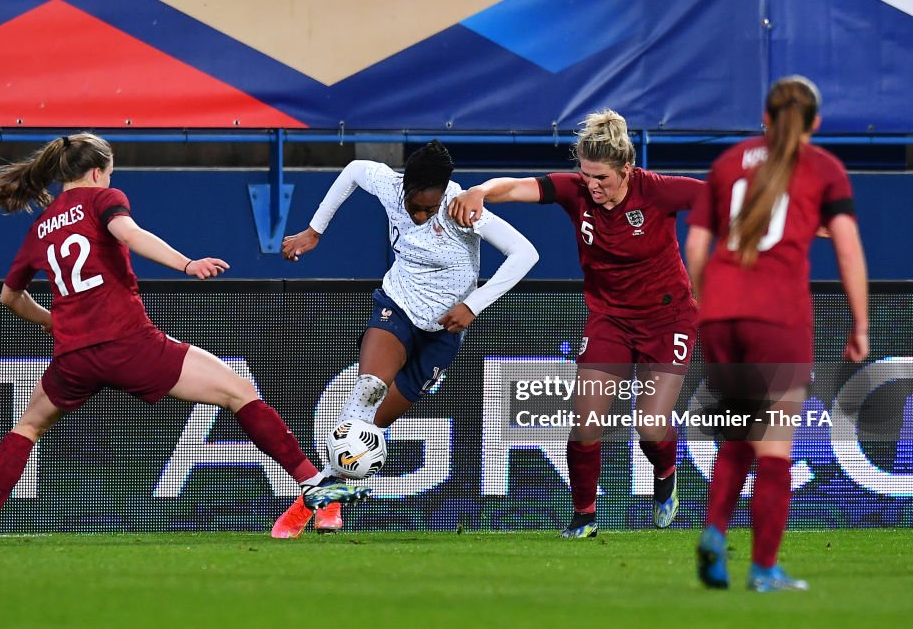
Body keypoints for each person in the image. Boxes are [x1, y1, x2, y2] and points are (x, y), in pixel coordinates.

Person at [0, 133, 369, 543]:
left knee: (28, 427)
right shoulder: (103, 199)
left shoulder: (41, 226)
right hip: (130, 344)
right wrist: (187, 263)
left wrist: (58, 323)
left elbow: (9, 297)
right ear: (97, 172)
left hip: (74, 357)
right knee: (239, 391)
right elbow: (131, 234)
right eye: (109, 173)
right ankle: (311, 481)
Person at [449, 110, 704, 538]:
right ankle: (584, 516)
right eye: (586, 175)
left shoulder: (658, 192)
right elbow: (513, 187)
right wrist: (479, 191)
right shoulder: (576, 192)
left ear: (627, 170)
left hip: (668, 317)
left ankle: (666, 474)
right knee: (586, 423)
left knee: (650, 425)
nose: (593, 185)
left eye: (602, 177)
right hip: (609, 318)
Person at [270, 140, 539, 538]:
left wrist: (474, 305)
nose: (420, 215)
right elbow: (354, 171)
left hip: (443, 333)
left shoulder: (461, 209)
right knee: (367, 391)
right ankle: (312, 512)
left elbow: (525, 253)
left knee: (370, 427)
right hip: (396, 306)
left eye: (429, 209)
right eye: (415, 205)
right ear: (405, 186)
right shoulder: (388, 184)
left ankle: (324, 494)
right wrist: (314, 231)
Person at [685, 76, 868, 591]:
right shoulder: (825, 169)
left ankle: (716, 532)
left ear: (764, 118)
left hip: (721, 314)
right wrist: (860, 322)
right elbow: (848, 249)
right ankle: (764, 568)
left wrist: (710, 303)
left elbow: (697, 248)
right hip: (777, 316)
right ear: (815, 124)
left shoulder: (726, 164)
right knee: (775, 444)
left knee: (743, 430)